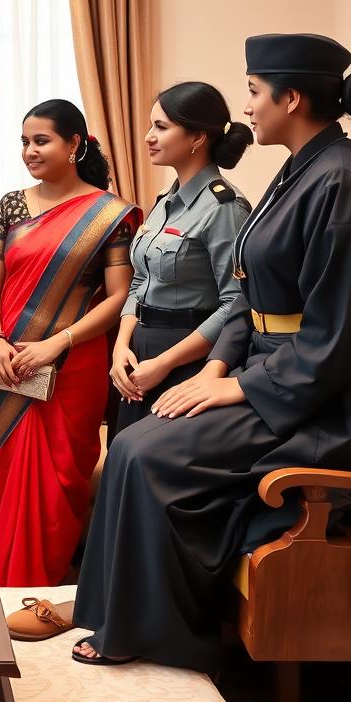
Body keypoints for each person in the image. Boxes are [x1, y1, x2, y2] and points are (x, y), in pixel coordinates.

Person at [73, 33, 351, 670]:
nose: (246, 107)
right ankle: (116, 618)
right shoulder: (305, 167)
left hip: (327, 402)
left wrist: (242, 388)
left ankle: (159, 636)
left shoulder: (343, 183)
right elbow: (250, 303)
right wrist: (222, 366)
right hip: (276, 374)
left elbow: (344, 331)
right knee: (134, 443)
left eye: (254, 92)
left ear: (293, 96)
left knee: (146, 455)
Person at [0, 99, 140, 587]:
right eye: (24, 141)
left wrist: (56, 343)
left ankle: (37, 592)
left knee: (58, 481)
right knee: (1, 477)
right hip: (6, 364)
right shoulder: (11, 206)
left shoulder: (110, 214)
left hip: (73, 366)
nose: (29, 151)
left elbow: (119, 296)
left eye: (40, 140)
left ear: (74, 145)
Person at [111, 82, 252, 436]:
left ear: (197, 137)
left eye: (161, 127)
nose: (147, 136)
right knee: (121, 455)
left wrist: (163, 364)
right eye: (150, 126)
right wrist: (120, 346)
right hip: (138, 351)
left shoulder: (224, 207)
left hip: (187, 357)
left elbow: (236, 302)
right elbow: (141, 281)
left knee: (155, 470)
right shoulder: (164, 200)